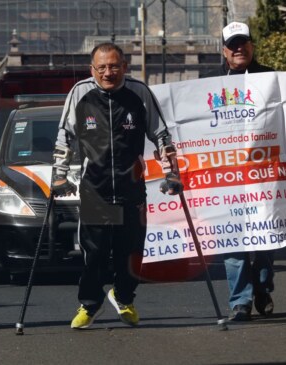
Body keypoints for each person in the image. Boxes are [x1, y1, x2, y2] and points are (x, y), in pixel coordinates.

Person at [52, 42, 183, 329]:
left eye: (114, 66)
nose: (108, 73)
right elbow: (65, 138)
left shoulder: (139, 93)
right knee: (95, 253)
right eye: (102, 68)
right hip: (95, 190)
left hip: (131, 188)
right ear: (92, 69)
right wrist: (59, 176)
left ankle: (123, 297)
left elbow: (161, 136)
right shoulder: (80, 93)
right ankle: (90, 304)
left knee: (131, 253)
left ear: (124, 66)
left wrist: (171, 173)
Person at [205, 22, 286, 321]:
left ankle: (262, 287)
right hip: (228, 179)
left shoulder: (272, 77)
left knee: (267, 237)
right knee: (233, 241)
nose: (239, 48)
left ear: (252, 46)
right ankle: (240, 302)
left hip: (265, 176)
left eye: (244, 42)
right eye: (233, 44)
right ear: (224, 51)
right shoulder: (207, 84)